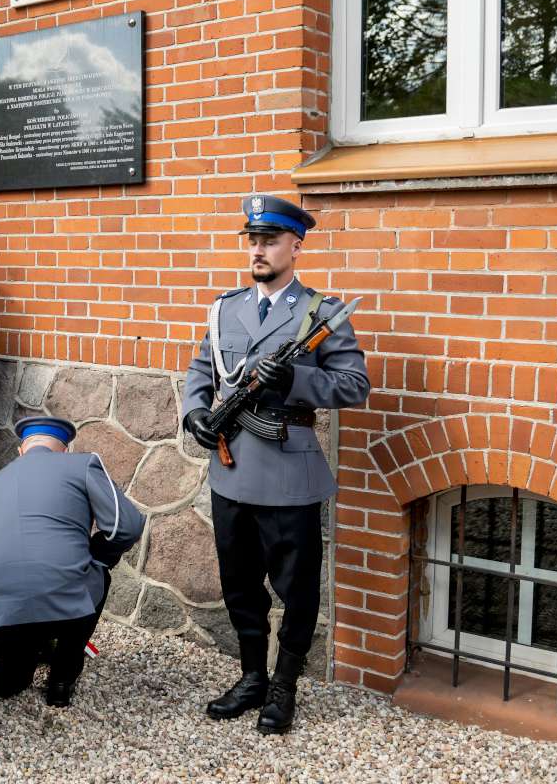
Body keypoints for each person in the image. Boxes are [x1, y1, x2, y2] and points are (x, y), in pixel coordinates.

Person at [181, 195, 370, 735]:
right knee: (239, 584)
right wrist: (196, 410)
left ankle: (284, 685)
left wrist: (297, 380)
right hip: (232, 467)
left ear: (295, 245)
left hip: (288, 472)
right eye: (253, 240)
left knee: (297, 589)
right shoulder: (225, 308)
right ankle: (251, 677)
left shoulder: (319, 312)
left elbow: (355, 386)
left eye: (270, 240)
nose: (258, 249)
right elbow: (201, 368)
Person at [0, 417, 145, 747]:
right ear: (66, 448)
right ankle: (62, 678)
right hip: (64, 594)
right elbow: (127, 526)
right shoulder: (82, 464)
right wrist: (97, 552)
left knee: (12, 671)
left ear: (20, 450)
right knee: (97, 573)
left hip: (1, 600)